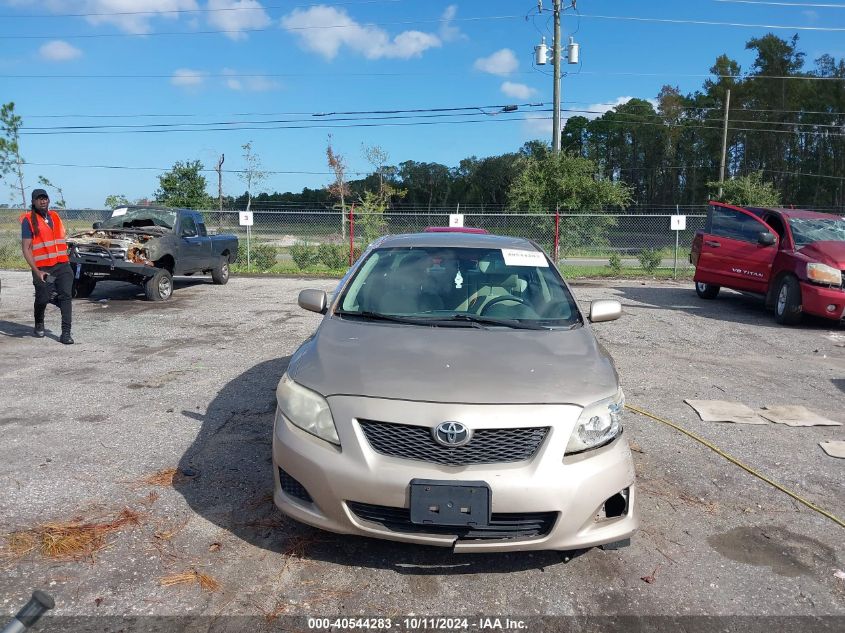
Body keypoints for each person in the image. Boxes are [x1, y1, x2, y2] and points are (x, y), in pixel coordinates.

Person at [20, 189, 74, 344]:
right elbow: (26, 248)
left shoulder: (55, 216)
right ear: (33, 202)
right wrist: (36, 271)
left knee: (66, 296)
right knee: (43, 298)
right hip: (43, 269)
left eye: (45, 198)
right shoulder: (28, 220)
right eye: (39, 199)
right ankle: (39, 322)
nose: (43, 201)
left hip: (62, 265)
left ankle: (66, 333)